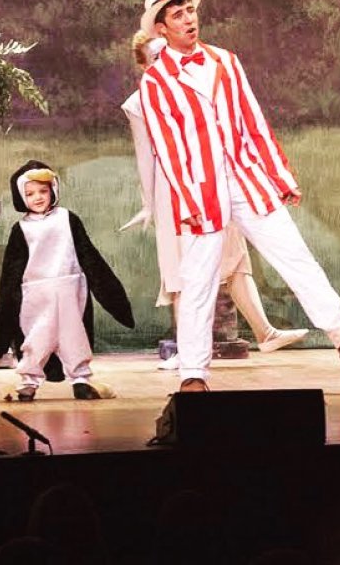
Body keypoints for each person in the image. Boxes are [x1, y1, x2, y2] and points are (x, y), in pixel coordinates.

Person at [137, 0, 340, 391]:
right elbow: (169, 149)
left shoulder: (225, 61)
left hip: (245, 177)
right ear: (161, 27)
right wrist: (190, 200)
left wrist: (279, 176)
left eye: (190, 10)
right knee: (198, 281)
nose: (189, 19)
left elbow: (253, 121)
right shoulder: (156, 82)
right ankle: (193, 372)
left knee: (293, 253)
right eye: (178, 15)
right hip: (202, 190)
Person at [120, 31, 307, 369]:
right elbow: (146, 155)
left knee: (233, 255)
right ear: (145, 66)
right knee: (182, 270)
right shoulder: (141, 100)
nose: (165, 57)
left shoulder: (201, 80)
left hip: (212, 182)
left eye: (166, 50)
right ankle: (187, 350)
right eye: (155, 56)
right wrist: (149, 203)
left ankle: (265, 331)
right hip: (174, 189)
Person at [0, 162, 135, 401]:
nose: (38, 197)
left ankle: (80, 380)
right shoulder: (22, 229)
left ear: (53, 190)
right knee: (36, 338)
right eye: (30, 193)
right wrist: (7, 310)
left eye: (43, 191)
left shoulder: (67, 219)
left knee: (74, 336)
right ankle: (28, 382)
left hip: (70, 289)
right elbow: (11, 273)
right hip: (36, 294)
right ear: (21, 196)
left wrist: (111, 294)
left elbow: (89, 256)